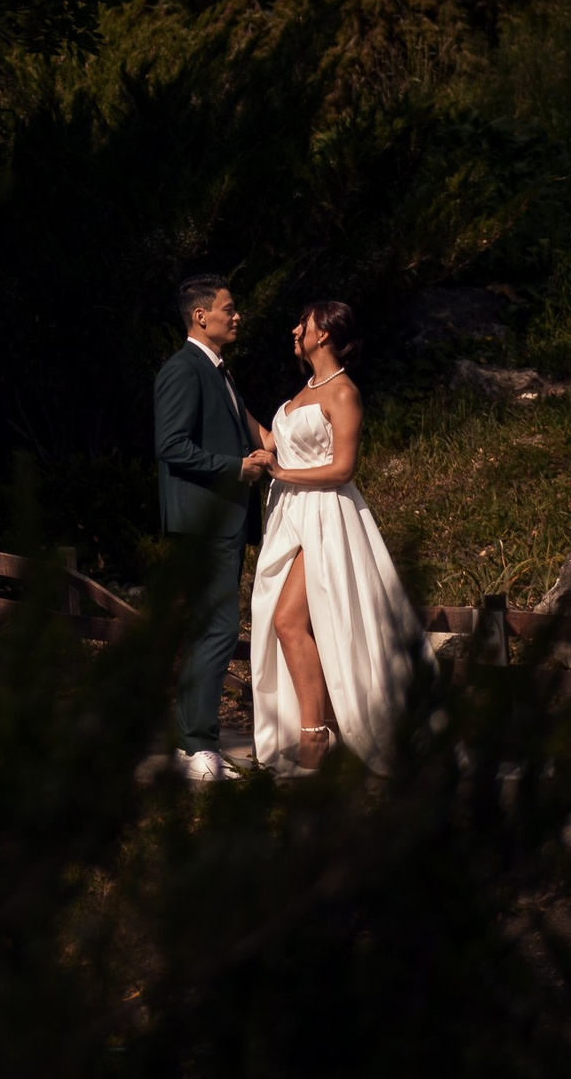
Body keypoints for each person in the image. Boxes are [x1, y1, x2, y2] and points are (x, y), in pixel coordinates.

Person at [247, 301, 423, 775]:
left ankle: (314, 738)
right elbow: (269, 441)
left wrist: (282, 470)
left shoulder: (343, 392)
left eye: (302, 323)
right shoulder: (303, 391)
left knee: (288, 620)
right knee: (292, 620)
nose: (294, 329)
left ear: (323, 334)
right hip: (290, 516)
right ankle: (322, 726)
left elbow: (344, 468)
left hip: (327, 517)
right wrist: (225, 395)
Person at [154, 272, 273, 783]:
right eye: (229, 307)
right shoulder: (184, 370)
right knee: (218, 628)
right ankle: (197, 745)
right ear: (201, 316)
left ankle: (195, 742)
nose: (236, 314)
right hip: (203, 520)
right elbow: (171, 446)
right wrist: (235, 468)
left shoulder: (220, 372)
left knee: (215, 627)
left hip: (222, 520)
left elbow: (246, 425)